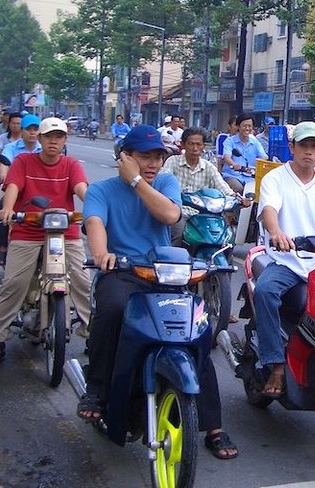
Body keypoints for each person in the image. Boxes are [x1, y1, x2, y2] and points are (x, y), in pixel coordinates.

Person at [79, 124, 237, 459]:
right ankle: (97, 389)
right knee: (112, 308)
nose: (152, 163)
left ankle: (214, 427)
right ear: (125, 157)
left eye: (157, 157)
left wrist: (136, 181)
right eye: (143, 157)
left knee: (197, 333)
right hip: (122, 272)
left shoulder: (164, 183)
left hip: (164, 274)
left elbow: (169, 214)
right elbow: (94, 225)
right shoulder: (101, 190)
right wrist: (101, 254)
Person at [253, 122, 315, 397]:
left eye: (314, 146)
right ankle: (276, 365)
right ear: (292, 147)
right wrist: (276, 232)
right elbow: (269, 209)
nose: (308, 151)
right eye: (303, 145)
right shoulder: (276, 178)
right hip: (286, 261)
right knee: (265, 291)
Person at [0, 118, 90, 362]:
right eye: (49, 136)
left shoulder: (71, 165)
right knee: (14, 283)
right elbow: (13, 188)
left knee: (82, 280)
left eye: (59, 137)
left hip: (64, 231)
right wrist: (8, 210)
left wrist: (94, 210)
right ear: (39, 139)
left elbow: (82, 189)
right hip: (28, 230)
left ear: (64, 141)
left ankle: (93, 332)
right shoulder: (23, 161)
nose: (53, 141)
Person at [160, 127, 240, 245]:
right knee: (178, 233)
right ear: (183, 144)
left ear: (203, 146)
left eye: (198, 144)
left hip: (204, 216)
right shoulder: (173, 162)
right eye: (191, 144)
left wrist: (237, 198)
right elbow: (163, 181)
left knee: (225, 237)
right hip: (180, 213)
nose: (195, 148)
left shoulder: (208, 167)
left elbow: (222, 186)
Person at [221, 113, 267, 194]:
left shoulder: (255, 142)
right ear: (238, 126)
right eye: (244, 126)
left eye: (249, 126)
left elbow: (264, 157)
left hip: (250, 177)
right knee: (239, 188)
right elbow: (227, 157)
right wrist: (234, 165)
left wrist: (255, 167)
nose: (247, 128)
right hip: (232, 175)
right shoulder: (230, 141)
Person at [0, 114, 42, 180]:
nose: (32, 132)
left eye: (35, 130)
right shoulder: (10, 147)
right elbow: (5, 163)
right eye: (28, 129)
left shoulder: (44, 148)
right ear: (22, 131)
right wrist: (3, 176)